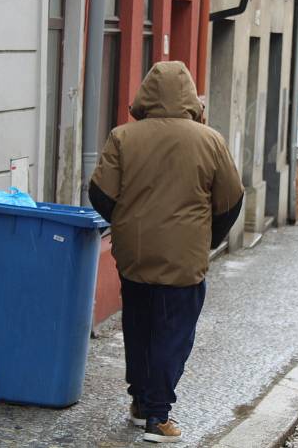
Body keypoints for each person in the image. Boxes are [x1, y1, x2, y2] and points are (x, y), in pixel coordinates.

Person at [89, 61, 244, 443]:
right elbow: (231, 200)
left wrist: (126, 224)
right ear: (190, 96)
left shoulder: (123, 137)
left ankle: (141, 402)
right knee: (173, 335)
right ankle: (158, 417)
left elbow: (100, 194)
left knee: (139, 329)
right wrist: (208, 238)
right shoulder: (209, 140)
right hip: (184, 259)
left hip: (134, 254)